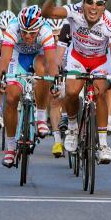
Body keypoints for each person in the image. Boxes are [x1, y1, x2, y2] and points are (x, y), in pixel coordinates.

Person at [41, 0, 111, 164]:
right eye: (89, 1)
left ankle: (102, 144)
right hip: (77, 58)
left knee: (100, 93)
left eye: (100, 3)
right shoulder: (74, 10)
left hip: (100, 61)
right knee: (70, 92)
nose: (94, 7)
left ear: (105, 5)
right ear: (82, 2)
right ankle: (72, 126)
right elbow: (46, 13)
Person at [0, 6, 58, 167]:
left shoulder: (45, 30)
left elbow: (52, 61)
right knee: (11, 97)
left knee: (43, 71)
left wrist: (56, 82)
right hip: (18, 57)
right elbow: (5, 59)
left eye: (32, 33)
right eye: (24, 32)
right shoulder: (13, 28)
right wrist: (0, 79)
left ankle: (41, 117)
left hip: (39, 56)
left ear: (38, 29)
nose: (27, 36)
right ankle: (10, 148)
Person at [46, 17, 66, 157]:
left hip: (69, 70)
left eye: (58, 35)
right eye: (53, 35)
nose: (56, 38)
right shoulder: (46, 45)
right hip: (54, 74)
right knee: (54, 100)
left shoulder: (68, 42)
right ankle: (57, 141)